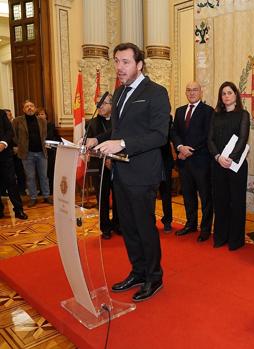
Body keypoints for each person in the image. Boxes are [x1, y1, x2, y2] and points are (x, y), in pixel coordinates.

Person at [85, 42, 171, 302]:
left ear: (139, 64)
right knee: (128, 227)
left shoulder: (156, 92)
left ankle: (154, 277)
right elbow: (118, 131)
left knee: (144, 227)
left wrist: (121, 144)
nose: (119, 67)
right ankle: (138, 271)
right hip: (120, 172)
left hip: (143, 173)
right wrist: (96, 139)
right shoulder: (119, 93)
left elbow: (159, 135)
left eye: (125, 62)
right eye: (117, 62)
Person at [207, 81, 249, 251]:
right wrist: (218, 157)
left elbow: (243, 137)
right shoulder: (215, 115)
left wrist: (230, 158)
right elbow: (209, 139)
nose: (226, 96)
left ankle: (235, 240)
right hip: (218, 164)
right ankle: (220, 237)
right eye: (223, 93)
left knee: (236, 202)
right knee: (221, 201)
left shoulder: (243, 114)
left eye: (229, 93)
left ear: (236, 95)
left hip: (235, 164)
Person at [172, 81, 215, 241]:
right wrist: (180, 146)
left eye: (194, 90)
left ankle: (205, 229)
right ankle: (190, 224)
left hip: (201, 161)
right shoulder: (180, 111)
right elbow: (174, 131)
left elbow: (208, 136)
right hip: (184, 162)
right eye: (188, 90)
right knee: (188, 196)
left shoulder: (208, 111)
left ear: (200, 92)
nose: (191, 93)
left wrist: (189, 150)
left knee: (205, 197)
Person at [85, 93, 119, 239]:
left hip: (117, 166)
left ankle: (118, 224)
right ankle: (105, 227)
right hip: (100, 166)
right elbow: (90, 146)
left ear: (112, 105)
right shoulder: (92, 123)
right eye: (98, 103)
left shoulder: (118, 122)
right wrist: (105, 158)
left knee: (118, 197)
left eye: (103, 103)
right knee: (102, 198)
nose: (99, 106)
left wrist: (112, 159)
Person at [12, 100, 51, 207]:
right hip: (27, 154)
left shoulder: (42, 121)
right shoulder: (17, 121)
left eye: (31, 106)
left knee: (44, 176)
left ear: (35, 108)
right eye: (27, 106)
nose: (29, 108)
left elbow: (44, 135)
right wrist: (20, 145)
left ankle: (46, 196)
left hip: (41, 153)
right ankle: (33, 197)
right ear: (23, 109)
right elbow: (14, 135)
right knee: (30, 177)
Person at [0, 109, 28, 220]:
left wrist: (3, 143)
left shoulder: (1, 113)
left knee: (11, 182)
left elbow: (9, 131)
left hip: (4, 155)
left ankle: (18, 210)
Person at [36, 107, 60, 194]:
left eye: (42, 114)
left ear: (46, 115)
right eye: (38, 114)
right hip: (38, 152)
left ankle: (51, 190)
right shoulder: (34, 126)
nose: (40, 116)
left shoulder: (50, 125)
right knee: (40, 172)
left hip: (49, 152)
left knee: (50, 171)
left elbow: (51, 137)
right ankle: (43, 190)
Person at [159, 115, 174, 232]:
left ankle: (167, 221)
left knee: (166, 192)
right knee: (149, 193)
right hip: (149, 160)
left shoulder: (168, 118)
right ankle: (149, 221)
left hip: (165, 160)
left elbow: (170, 136)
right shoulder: (146, 114)